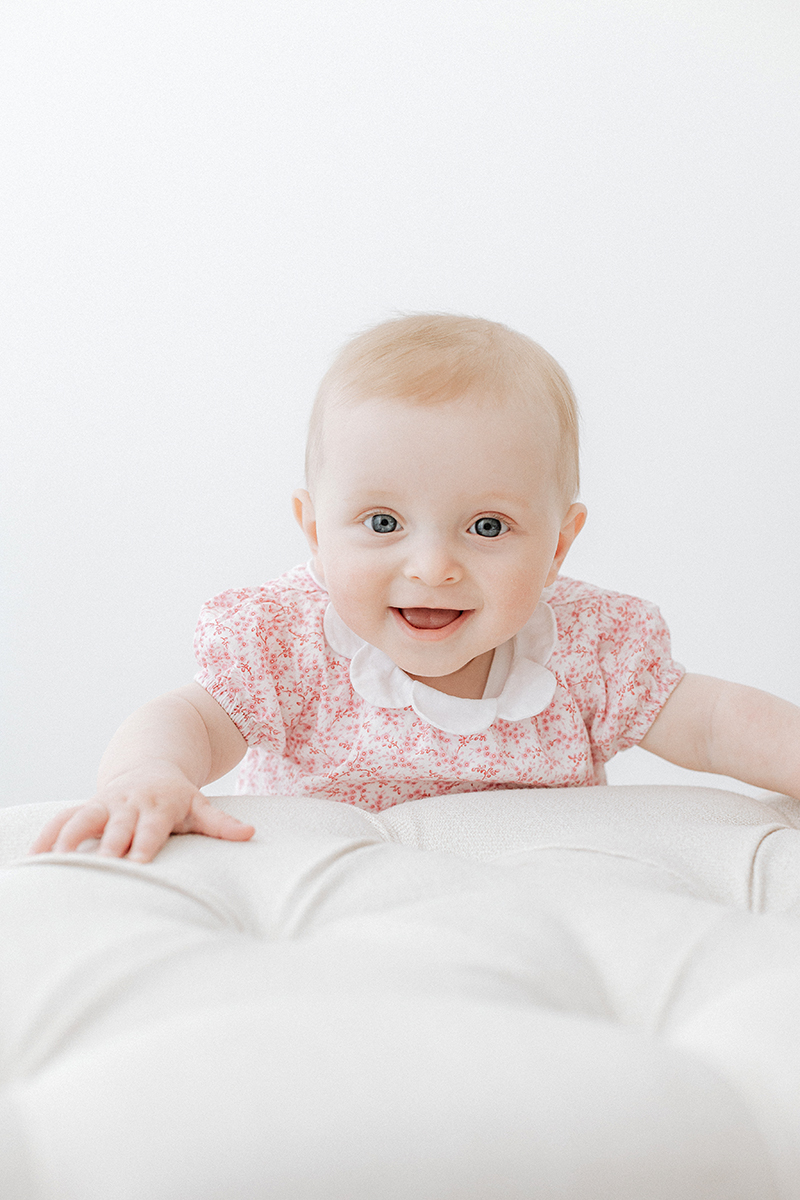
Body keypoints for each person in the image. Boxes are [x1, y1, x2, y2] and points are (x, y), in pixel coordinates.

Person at [32, 314, 800, 863]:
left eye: (489, 528)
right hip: (329, 898)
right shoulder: (288, 642)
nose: (433, 566)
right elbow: (192, 720)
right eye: (382, 521)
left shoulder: (589, 649)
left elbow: (713, 722)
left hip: (536, 898)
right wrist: (147, 775)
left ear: (560, 544)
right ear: (314, 533)